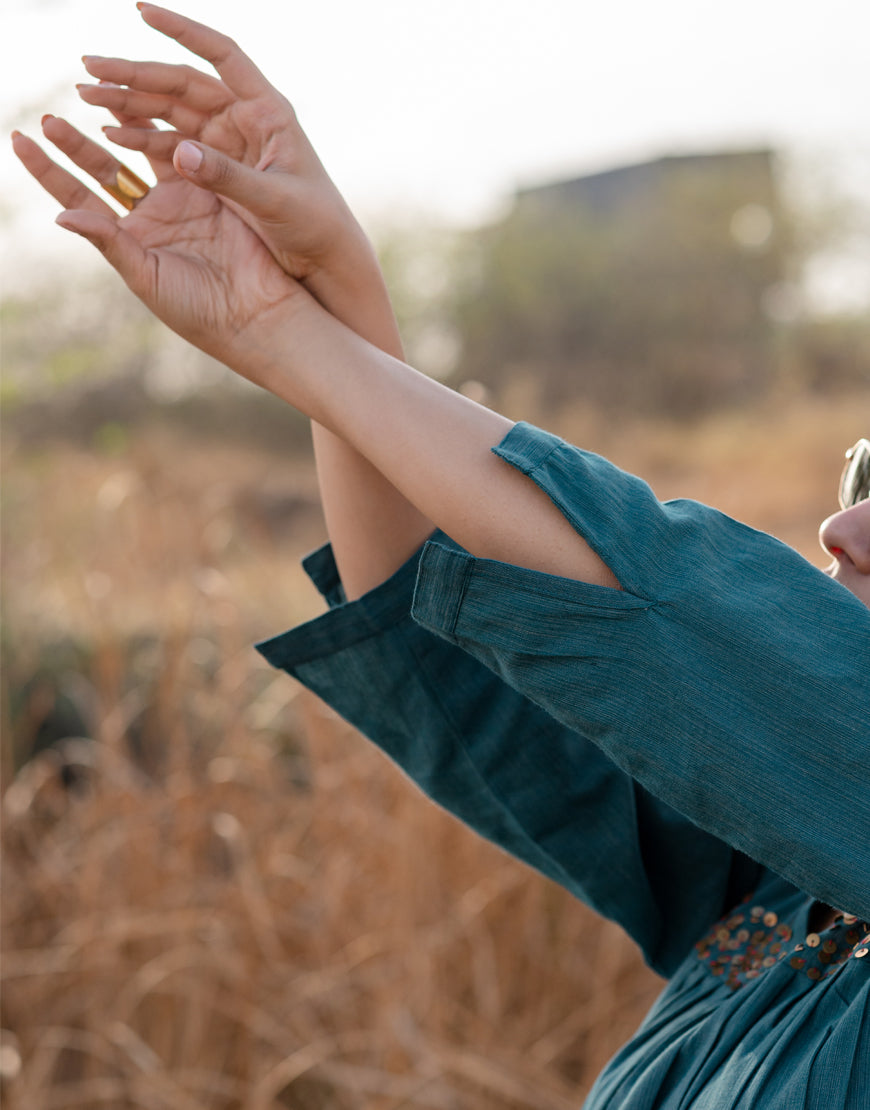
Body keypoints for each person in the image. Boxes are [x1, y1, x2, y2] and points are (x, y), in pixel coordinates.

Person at [13, 6, 870, 1105]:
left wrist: (293, 340)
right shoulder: (786, 885)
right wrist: (329, 296)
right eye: (862, 481)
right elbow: (458, 657)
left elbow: (662, 600)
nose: (841, 531)